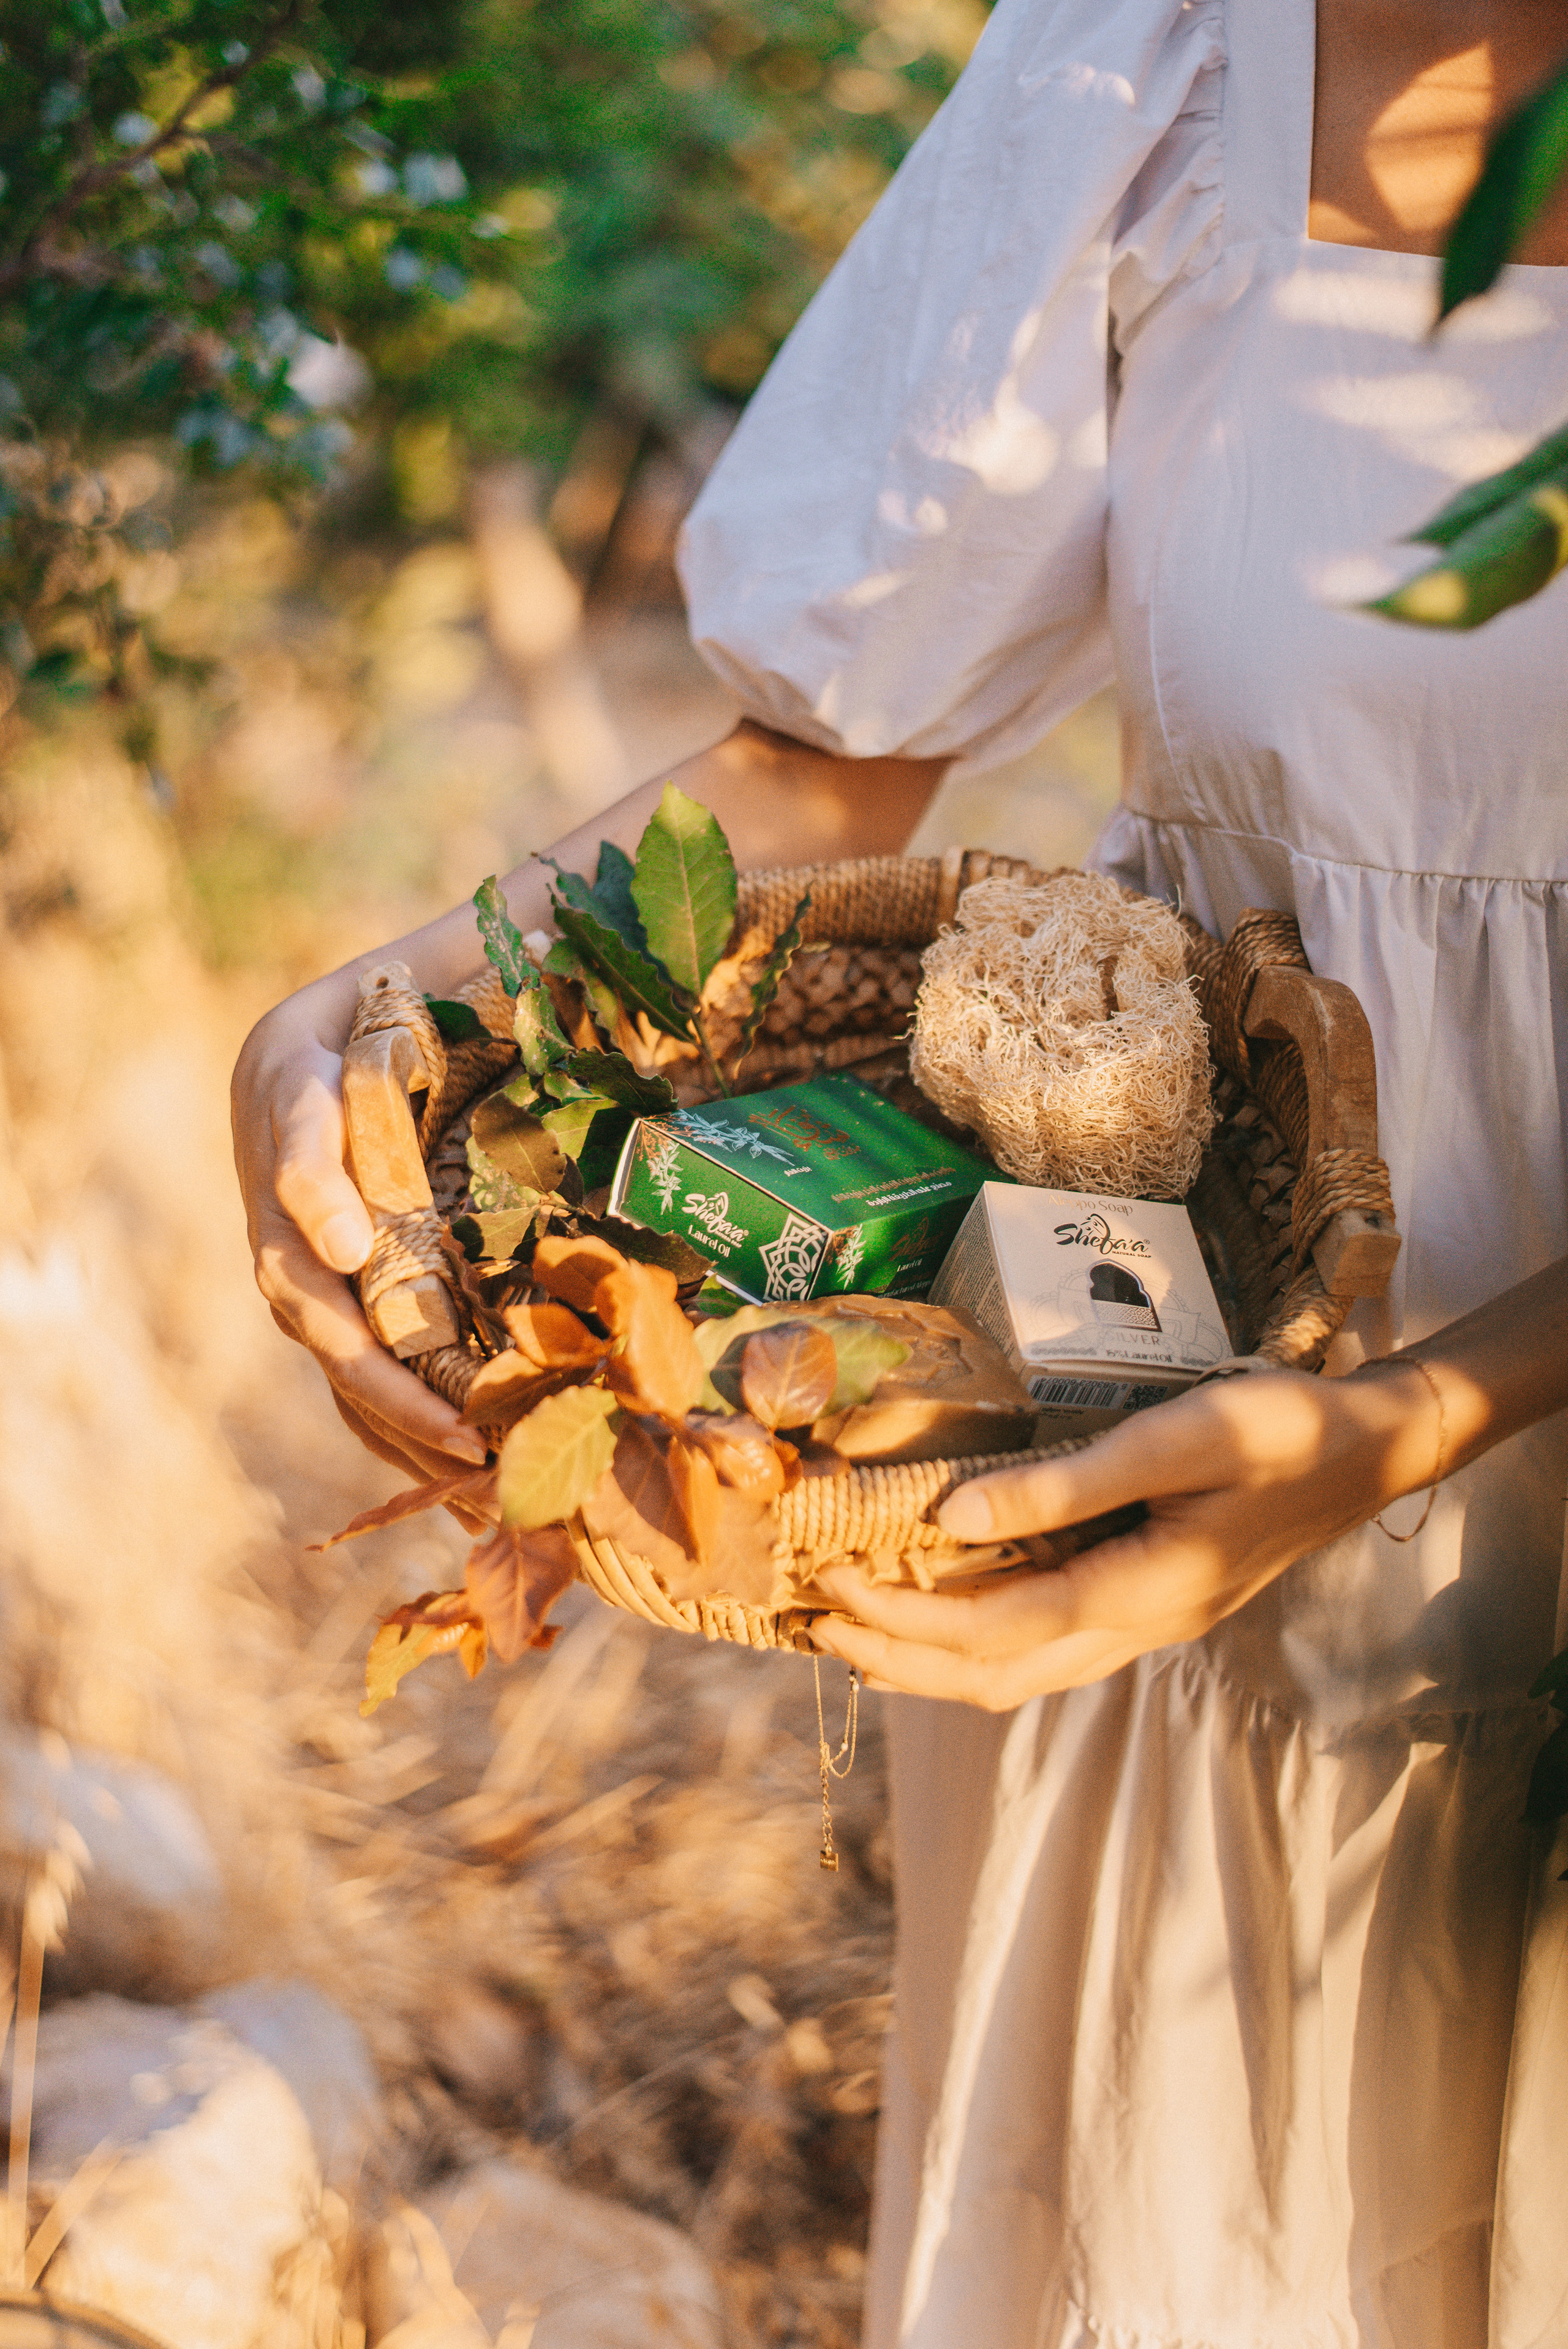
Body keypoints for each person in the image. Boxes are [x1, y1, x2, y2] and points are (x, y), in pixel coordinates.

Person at [232, 1, 1568, 2340]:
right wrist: (376, 1004)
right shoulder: (1162, 59)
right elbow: (836, 768)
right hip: (1162, 1436)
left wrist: (1416, 1424)